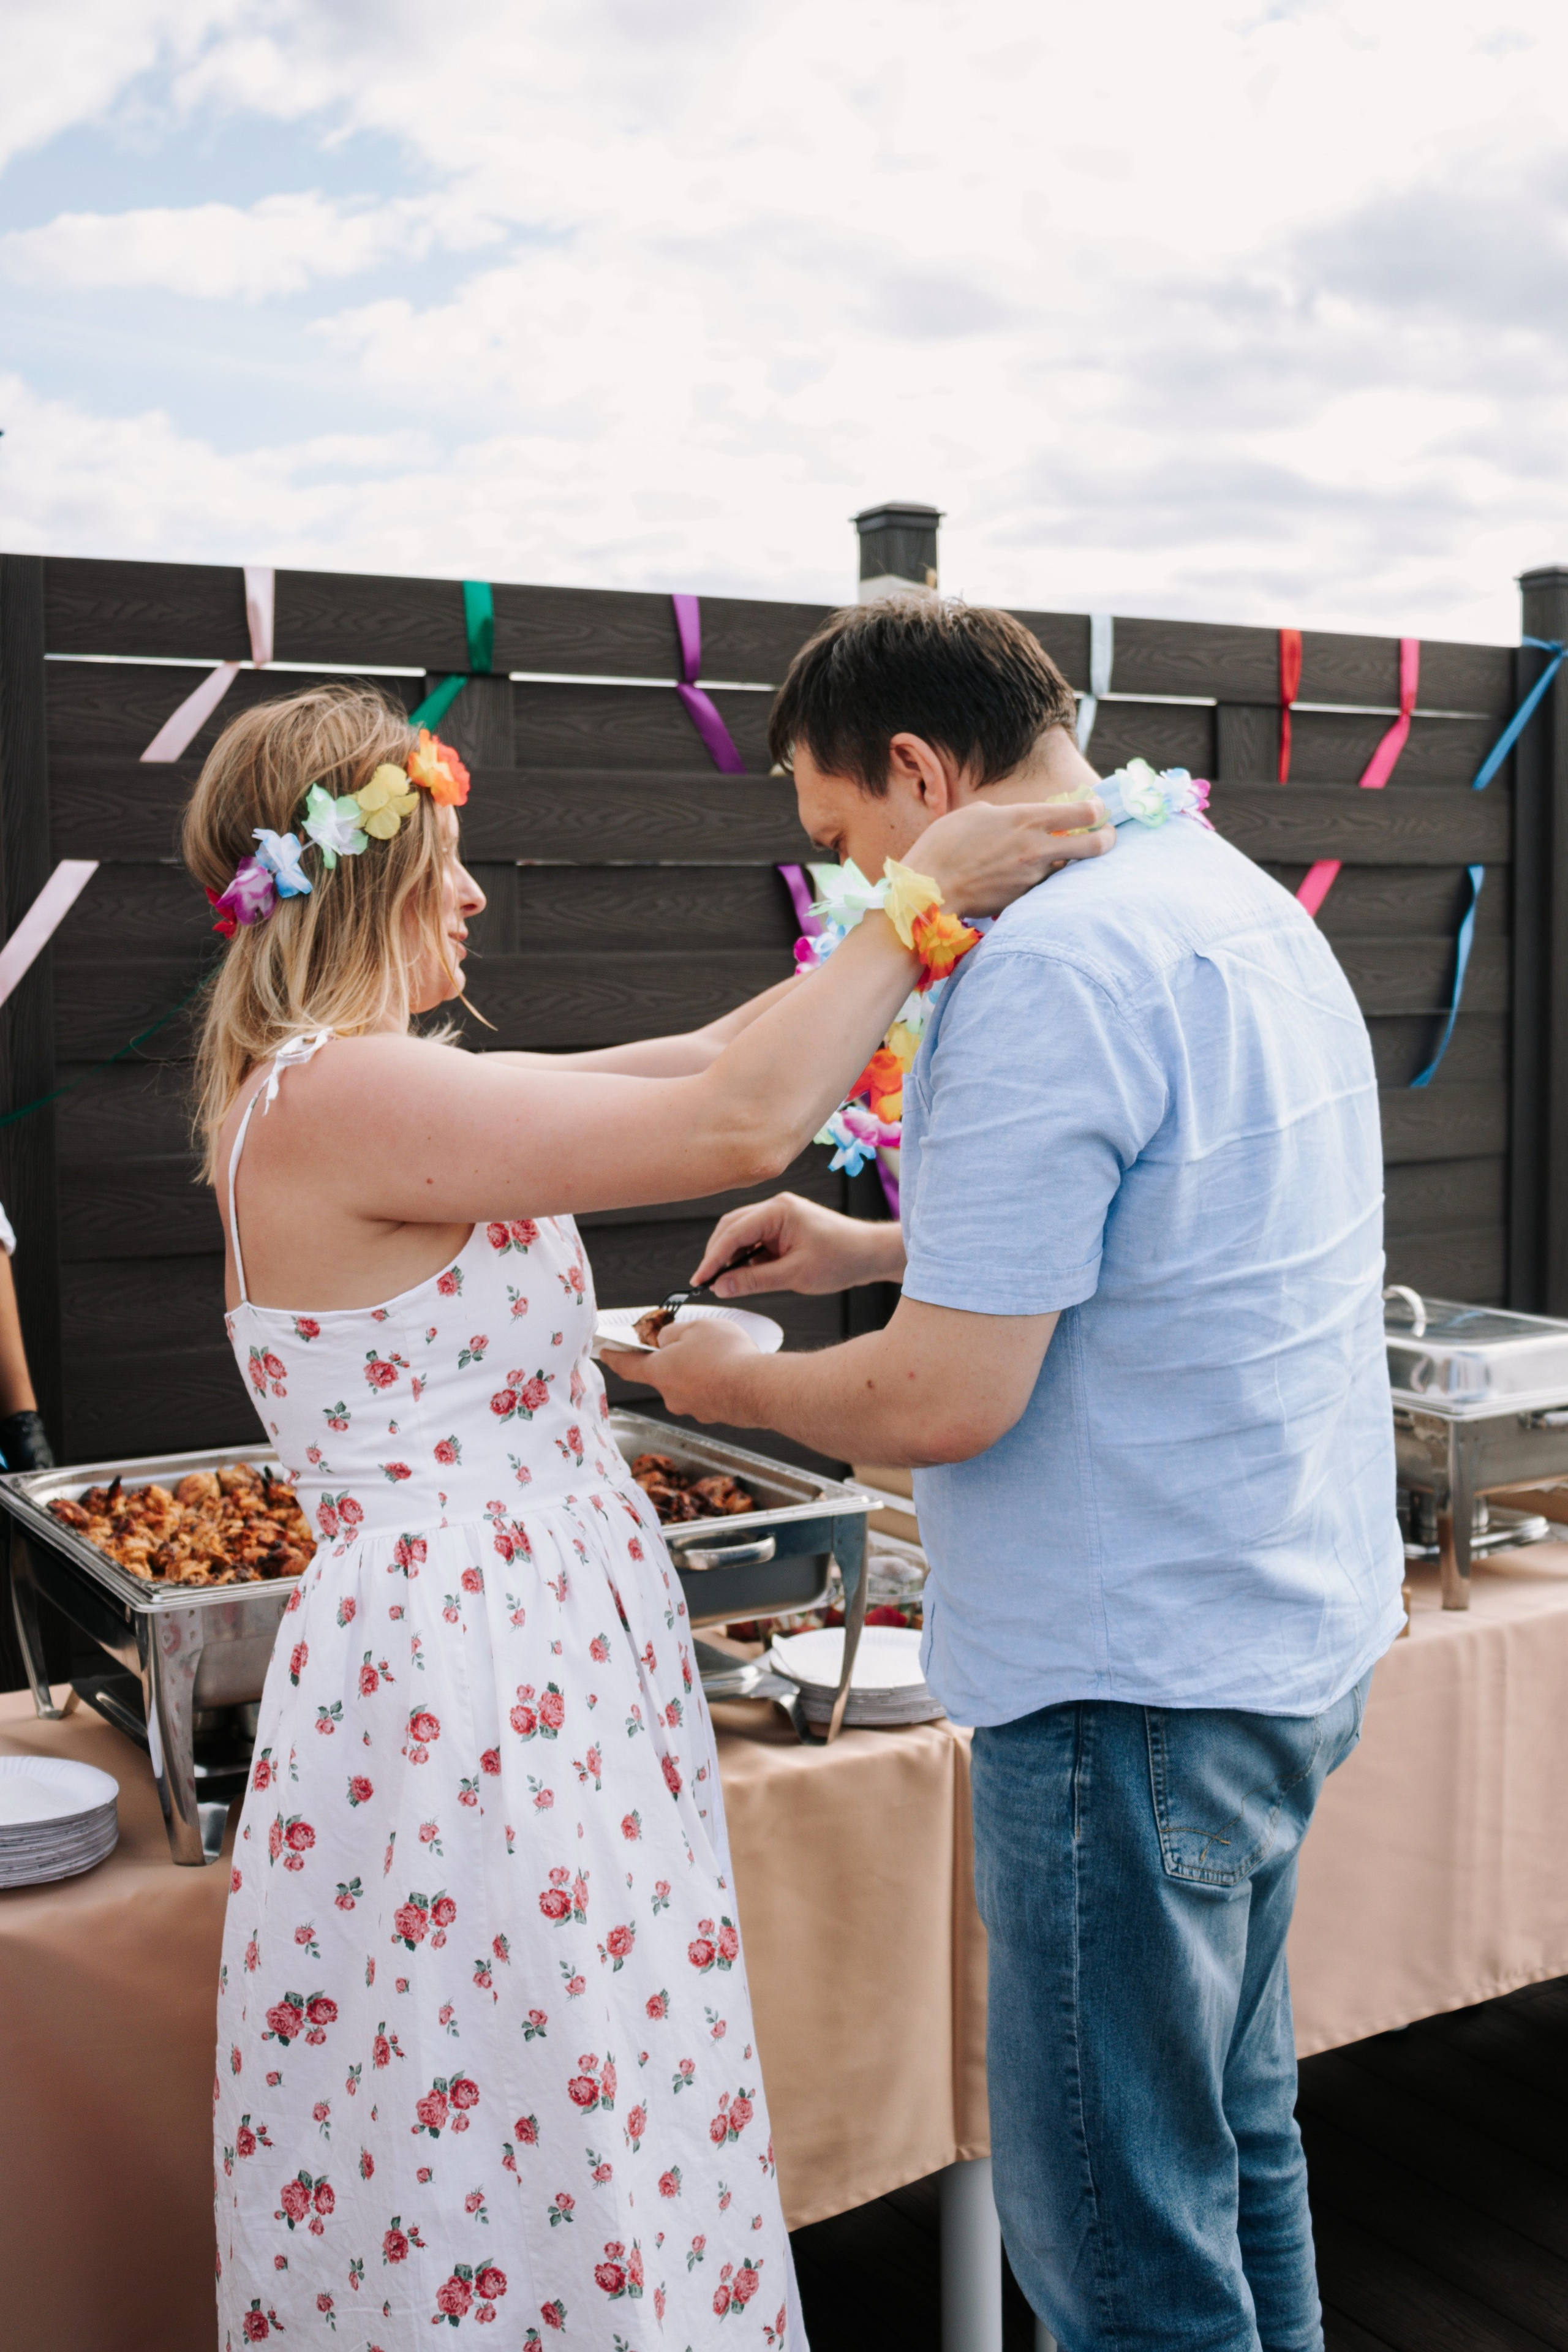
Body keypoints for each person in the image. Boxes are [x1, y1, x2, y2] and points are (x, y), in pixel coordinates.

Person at [183, 679, 1112, 2351]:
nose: (472, 897)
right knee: (515, 2093)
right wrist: (921, 893)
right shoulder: (337, 1094)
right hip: (468, 1675)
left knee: (579, 2072)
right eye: (447, 865)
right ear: (362, 884)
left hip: (526, 1647)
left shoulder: (366, 1086)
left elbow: (712, 1057)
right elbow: (737, 1119)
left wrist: (922, 944)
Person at [608, 598, 1406, 2352]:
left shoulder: (1045, 969)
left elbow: (954, 1395)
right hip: (1278, 1635)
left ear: (915, 771)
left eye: (839, 842)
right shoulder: (1225, 896)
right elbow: (1164, 1227)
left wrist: (742, 1381)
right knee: (1235, 2153)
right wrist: (858, 1240)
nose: (843, 894)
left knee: (1121, 2252)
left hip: (1126, 1691)